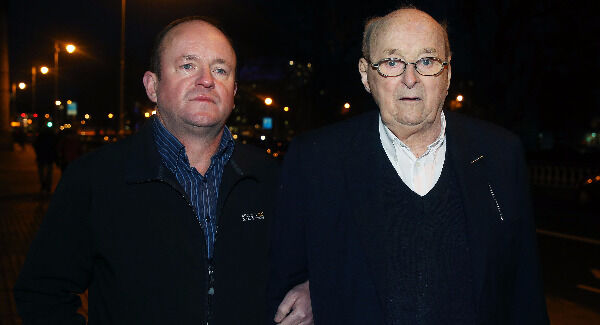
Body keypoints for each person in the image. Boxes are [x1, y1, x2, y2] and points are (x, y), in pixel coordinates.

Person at [15, 17, 311, 325]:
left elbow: (310, 262)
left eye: (220, 69)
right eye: (187, 65)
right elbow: (42, 293)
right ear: (152, 86)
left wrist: (311, 290)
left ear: (233, 92)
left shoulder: (271, 176)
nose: (206, 80)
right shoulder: (95, 177)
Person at [268, 7, 549, 324]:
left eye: (427, 61)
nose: (410, 78)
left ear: (448, 73)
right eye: (392, 62)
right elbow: (285, 287)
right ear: (366, 75)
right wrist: (315, 291)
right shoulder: (315, 160)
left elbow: (524, 291)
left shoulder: (499, 155)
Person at [32, 127, 58, 194]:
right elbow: (55, 147)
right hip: (49, 157)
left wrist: (38, 153)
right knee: (49, 172)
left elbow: (35, 145)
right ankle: (48, 185)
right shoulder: (53, 137)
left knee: (41, 171)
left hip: (41, 156)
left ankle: (43, 183)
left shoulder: (40, 137)